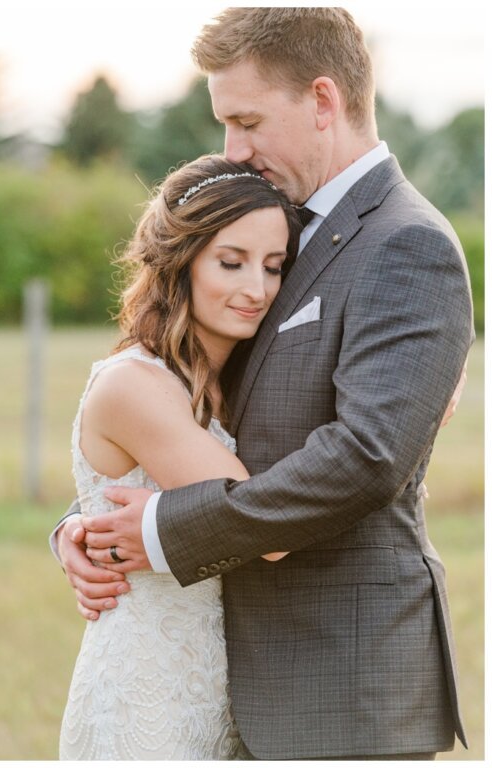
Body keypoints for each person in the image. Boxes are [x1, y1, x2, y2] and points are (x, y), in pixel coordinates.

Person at [56, 8, 471, 760]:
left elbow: (368, 456)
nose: (232, 149)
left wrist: (158, 530)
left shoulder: (406, 243)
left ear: (322, 101)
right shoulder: (274, 224)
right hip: (229, 674)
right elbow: (192, 414)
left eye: (246, 120)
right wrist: (87, 525)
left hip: (339, 679)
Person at [59, 156, 299, 760]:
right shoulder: (135, 385)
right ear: (180, 259)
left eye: (274, 268)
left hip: (217, 682)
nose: (257, 290)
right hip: (148, 687)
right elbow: (262, 525)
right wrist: (74, 528)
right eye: (231, 262)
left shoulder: (233, 375)